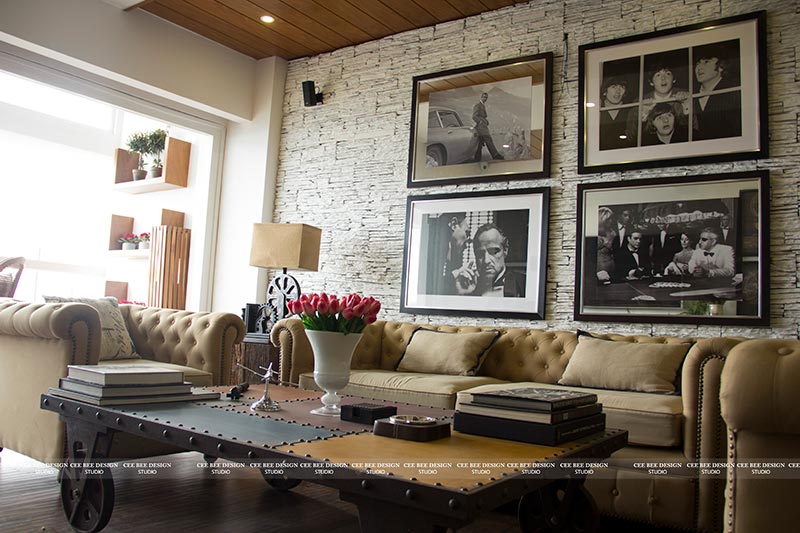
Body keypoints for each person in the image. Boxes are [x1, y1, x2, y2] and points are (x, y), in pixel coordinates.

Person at [455, 223, 525, 297]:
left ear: (505, 250)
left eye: (493, 251)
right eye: (480, 254)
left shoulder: (524, 283)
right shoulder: (467, 286)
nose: (486, 260)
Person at [692, 46, 742, 140]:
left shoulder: (735, 89)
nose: (699, 67)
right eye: (697, 63)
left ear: (720, 67)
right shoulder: (692, 94)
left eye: (706, 62)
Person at [426, 212, 470, 295]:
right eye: (466, 233)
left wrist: (458, 272)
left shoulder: (444, 246)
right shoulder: (431, 241)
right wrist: (457, 272)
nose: (466, 246)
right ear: (453, 224)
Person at [599, 76, 637, 150]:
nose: (618, 91)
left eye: (622, 87)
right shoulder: (598, 109)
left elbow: (634, 136)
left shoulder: (630, 110)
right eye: (614, 87)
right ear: (604, 91)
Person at [472, 92, 504, 161]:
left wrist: (486, 121)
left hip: (483, 126)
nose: (485, 99)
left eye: (486, 97)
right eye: (484, 97)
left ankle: (477, 158)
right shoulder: (478, 105)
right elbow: (474, 116)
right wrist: (480, 121)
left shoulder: (483, 105)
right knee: (488, 138)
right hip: (481, 127)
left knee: (480, 142)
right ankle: (495, 155)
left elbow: (483, 116)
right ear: (481, 97)